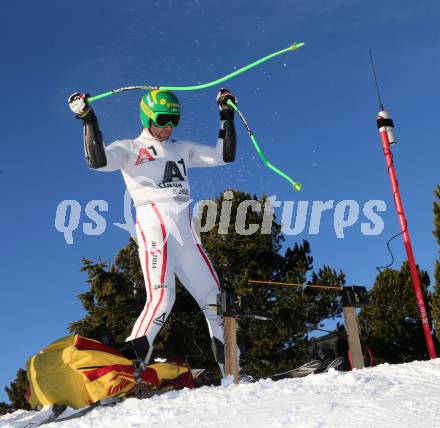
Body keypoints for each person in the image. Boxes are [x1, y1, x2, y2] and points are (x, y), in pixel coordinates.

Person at [68, 88, 237, 376]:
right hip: (154, 226)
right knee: (162, 298)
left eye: (174, 119)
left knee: (216, 301)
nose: (167, 127)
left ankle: (232, 374)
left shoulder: (182, 148)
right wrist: (88, 118)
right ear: (147, 117)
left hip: (186, 234)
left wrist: (226, 114)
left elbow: (225, 155)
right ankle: (129, 371)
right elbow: (96, 161)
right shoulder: (129, 149)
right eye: (162, 119)